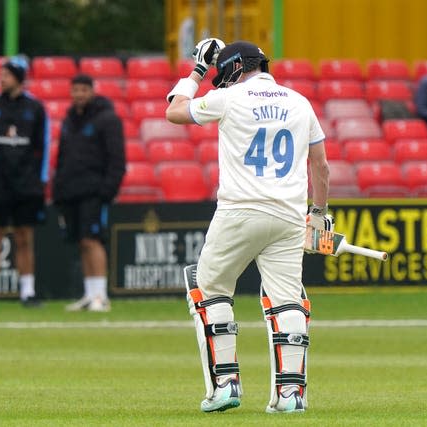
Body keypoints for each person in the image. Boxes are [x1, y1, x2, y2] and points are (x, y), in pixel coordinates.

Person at [165, 39, 332, 414]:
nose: (220, 80)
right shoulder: (300, 102)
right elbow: (320, 166)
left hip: (239, 212)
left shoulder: (230, 99)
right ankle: (291, 395)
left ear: (236, 68)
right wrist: (318, 213)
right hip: (289, 216)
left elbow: (174, 112)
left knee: (207, 288)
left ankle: (225, 385)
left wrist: (197, 69)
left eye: (223, 73)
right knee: (287, 300)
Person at [0, 56, 49, 308]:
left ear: (18, 78)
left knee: (25, 237)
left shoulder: (36, 108)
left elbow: (44, 147)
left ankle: (28, 292)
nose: (0, 79)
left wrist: (42, 180)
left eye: (5, 74)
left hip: (26, 183)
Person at [53, 74, 125, 312]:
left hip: (94, 192)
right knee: (82, 241)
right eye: (75, 90)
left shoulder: (107, 119)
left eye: (83, 90)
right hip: (71, 191)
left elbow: (117, 159)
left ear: (92, 91)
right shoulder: (69, 120)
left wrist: (107, 190)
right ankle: (89, 293)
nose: (79, 95)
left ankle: (101, 296)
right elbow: (62, 156)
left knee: (93, 240)